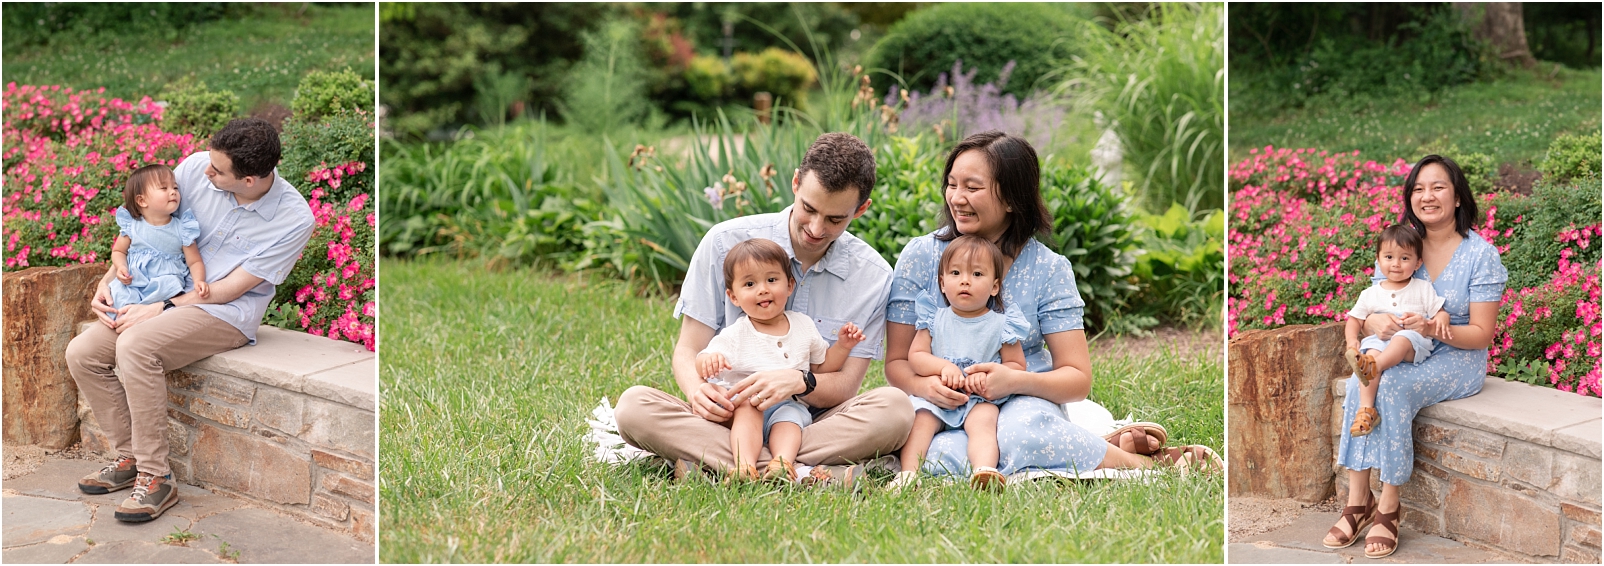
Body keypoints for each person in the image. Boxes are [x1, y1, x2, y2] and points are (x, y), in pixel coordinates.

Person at [884, 131, 1219, 482]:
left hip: (1022, 400)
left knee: (1024, 436)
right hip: (942, 405)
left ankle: (1150, 467)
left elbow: (1076, 379)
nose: (957, 198)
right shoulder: (921, 257)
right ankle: (1093, 445)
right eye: (952, 185)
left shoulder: (1048, 268)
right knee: (940, 458)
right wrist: (926, 387)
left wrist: (1013, 380)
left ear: (1012, 198)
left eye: (972, 187)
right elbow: (897, 362)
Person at [616, 132, 911, 490]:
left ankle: (724, 464)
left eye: (835, 219)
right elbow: (688, 350)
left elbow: (846, 386)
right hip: (729, 417)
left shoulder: (873, 276)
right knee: (633, 407)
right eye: (809, 209)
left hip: (814, 421)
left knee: (896, 409)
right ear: (795, 184)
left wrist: (801, 382)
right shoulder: (725, 242)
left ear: (860, 210)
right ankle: (801, 472)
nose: (817, 229)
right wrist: (697, 392)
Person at [67, 118, 316, 522]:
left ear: (249, 180)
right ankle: (129, 458)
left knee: (136, 345)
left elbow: (234, 288)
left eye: (217, 170)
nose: (204, 171)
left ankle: (156, 477)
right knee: (82, 353)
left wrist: (163, 307)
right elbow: (149, 232)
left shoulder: (294, 219)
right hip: (157, 295)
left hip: (223, 313)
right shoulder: (198, 168)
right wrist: (108, 281)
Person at [1322, 155, 1506, 558]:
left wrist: (1428, 329)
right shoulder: (1401, 244)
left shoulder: (1481, 255)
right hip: (1397, 347)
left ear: (1458, 197)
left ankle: (1389, 504)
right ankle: (1358, 500)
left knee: (1392, 384)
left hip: (1457, 356)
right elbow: (1372, 308)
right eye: (1419, 189)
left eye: (1438, 187)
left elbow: (1481, 335)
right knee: (1362, 377)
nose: (1428, 196)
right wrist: (1376, 325)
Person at [696, 238, 865, 482]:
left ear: (789, 286)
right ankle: (745, 466)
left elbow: (822, 367)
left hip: (787, 405)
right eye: (750, 283)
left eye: (772, 280)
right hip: (745, 407)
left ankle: (782, 463)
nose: (762, 289)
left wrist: (843, 346)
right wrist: (708, 360)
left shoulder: (803, 326)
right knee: (747, 406)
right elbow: (702, 360)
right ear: (733, 297)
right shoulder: (736, 334)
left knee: (790, 419)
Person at [889, 235, 1029, 491]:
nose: (965, 280)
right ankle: (908, 474)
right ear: (943, 283)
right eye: (955, 273)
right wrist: (942, 368)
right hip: (938, 393)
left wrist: (988, 376)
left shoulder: (1001, 324)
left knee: (984, 423)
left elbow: (1017, 366)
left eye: (977, 274)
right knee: (921, 419)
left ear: (995, 286)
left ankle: (983, 470)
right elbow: (917, 356)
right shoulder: (934, 318)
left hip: (979, 397)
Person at [1342, 223, 1449, 438]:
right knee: (1370, 349)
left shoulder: (1421, 288)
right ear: (1379, 259)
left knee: (1401, 338)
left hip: (1412, 344)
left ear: (1418, 262)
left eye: (1405, 258)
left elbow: (1440, 311)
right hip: (1381, 344)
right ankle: (1366, 410)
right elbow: (1354, 319)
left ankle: (1374, 367)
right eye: (1389, 257)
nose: (1396, 264)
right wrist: (1352, 340)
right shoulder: (1370, 293)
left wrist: (1441, 321)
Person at [108, 164, 209, 320]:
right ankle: (124, 318)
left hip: (164, 285)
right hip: (135, 282)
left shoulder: (182, 228)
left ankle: (150, 320)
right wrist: (121, 266)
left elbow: (194, 261)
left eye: (175, 187)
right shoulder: (133, 226)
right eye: (164, 188)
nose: (173, 192)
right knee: (119, 295)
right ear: (142, 200)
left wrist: (199, 281)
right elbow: (118, 251)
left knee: (169, 289)